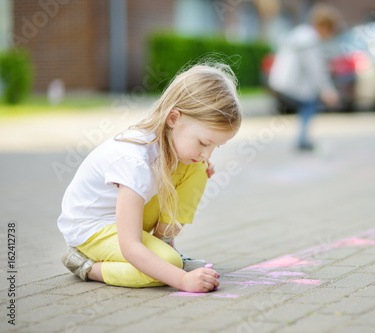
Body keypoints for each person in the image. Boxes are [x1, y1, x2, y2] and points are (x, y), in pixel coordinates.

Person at [57, 64, 242, 292]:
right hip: (91, 230)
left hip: (121, 221)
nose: (208, 153)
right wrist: (182, 280)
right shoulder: (135, 161)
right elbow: (130, 247)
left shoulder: (169, 145)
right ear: (174, 118)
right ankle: (84, 265)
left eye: (216, 146)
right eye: (204, 143)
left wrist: (198, 164)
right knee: (168, 266)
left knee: (198, 167)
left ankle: (164, 245)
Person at [268, 3, 340, 151]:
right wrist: (327, 90)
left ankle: (302, 138)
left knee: (308, 103)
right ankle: (302, 140)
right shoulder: (310, 40)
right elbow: (315, 69)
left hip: (280, 81)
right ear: (324, 27)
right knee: (310, 103)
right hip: (289, 84)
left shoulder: (301, 33)